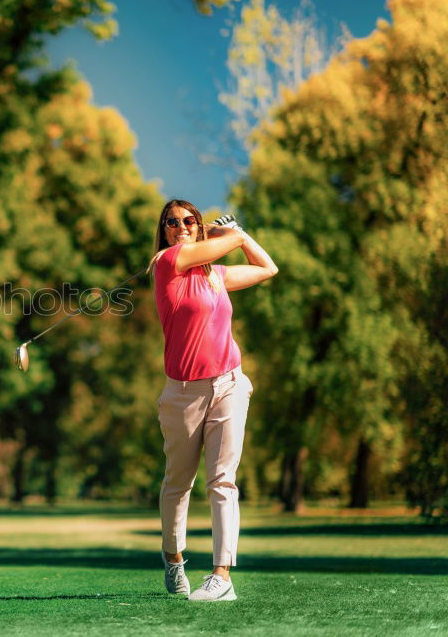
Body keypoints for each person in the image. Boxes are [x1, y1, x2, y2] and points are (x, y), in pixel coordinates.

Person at [149, 199, 278, 601]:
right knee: (178, 483)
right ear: (165, 230)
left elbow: (267, 268)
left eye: (189, 220)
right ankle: (174, 558)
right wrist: (231, 232)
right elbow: (226, 241)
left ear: (197, 225)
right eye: (172, 222)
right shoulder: (167, 262)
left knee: (223, 481)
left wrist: (240, 236)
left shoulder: (216, 276)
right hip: (182, 393)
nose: (180, 226)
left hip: (229, 385)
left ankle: (221, 576)